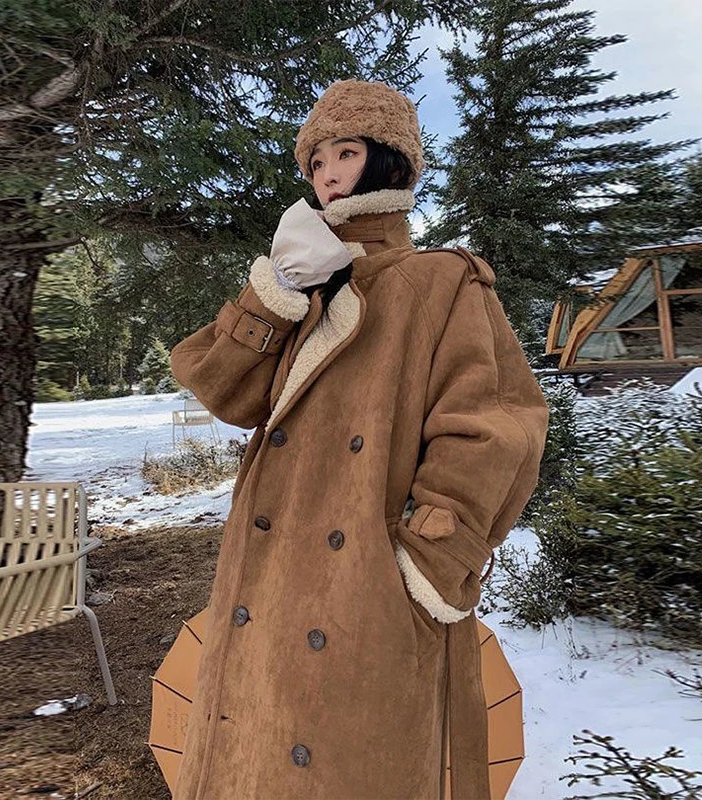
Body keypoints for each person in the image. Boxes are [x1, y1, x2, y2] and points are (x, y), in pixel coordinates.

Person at [168, 79, 548, 800]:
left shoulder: (441, 281)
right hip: (268, 581)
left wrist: (429, 561)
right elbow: (222, 390)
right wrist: (275, 290)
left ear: (389, 164)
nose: (329, 173)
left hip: (366, 592)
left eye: (346, 153)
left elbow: (495, 428)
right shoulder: (303, 290)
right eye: (316, 163)